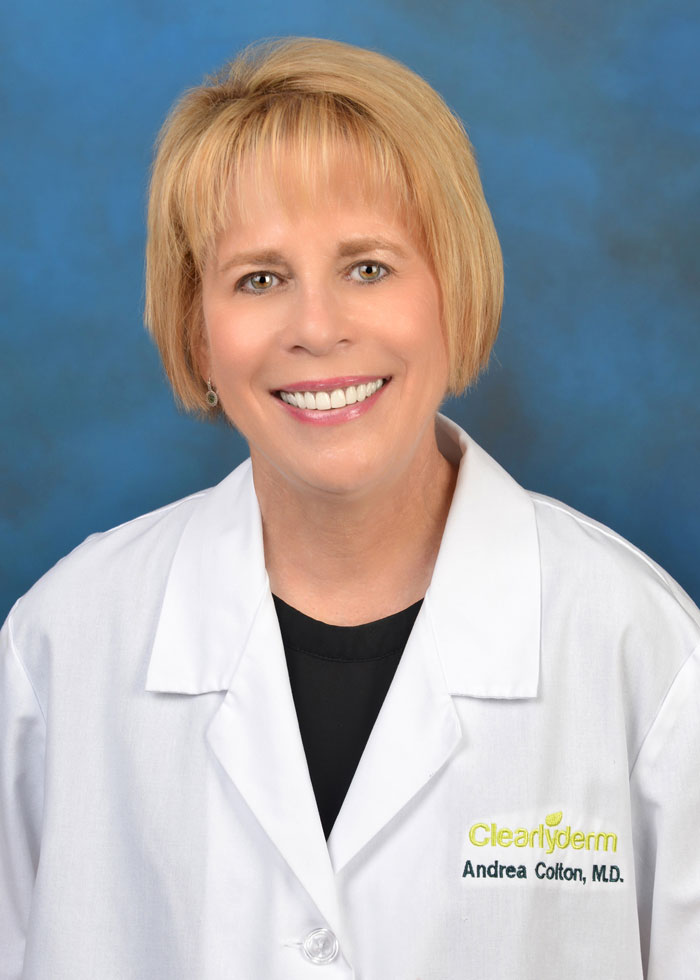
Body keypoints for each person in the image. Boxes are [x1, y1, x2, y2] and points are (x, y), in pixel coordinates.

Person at [1, 36, 698, 980]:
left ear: (453, 289)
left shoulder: (641, 653)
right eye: (259, 278)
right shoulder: (62, 644)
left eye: (368, 267)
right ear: (198, 332)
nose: (317, 328)